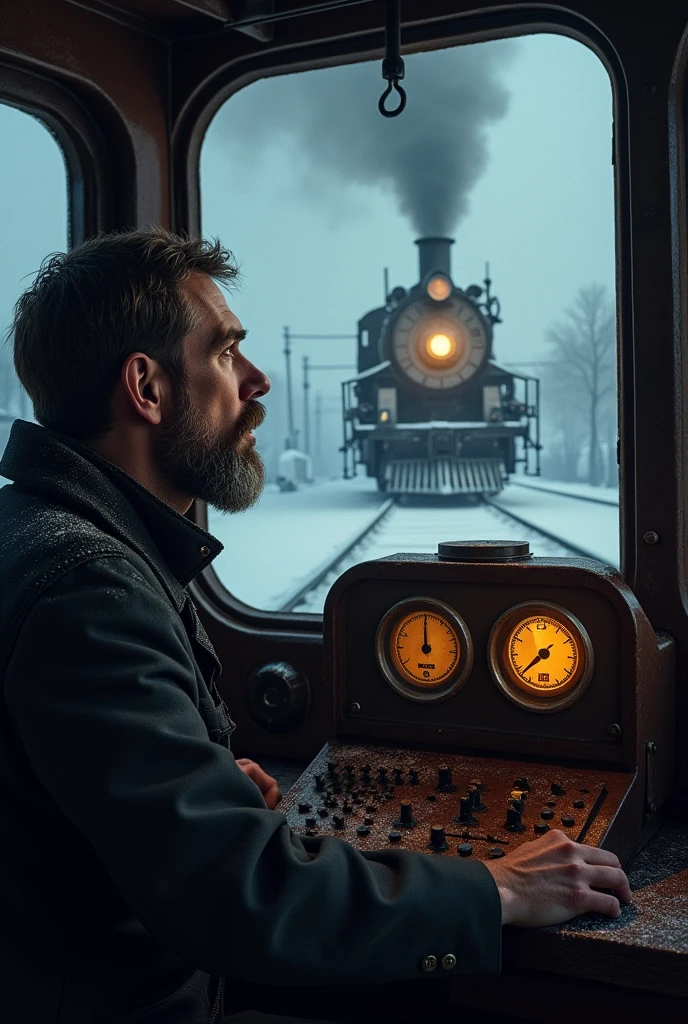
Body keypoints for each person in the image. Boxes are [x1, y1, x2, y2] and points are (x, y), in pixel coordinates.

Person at [0, 229, 632, 1024]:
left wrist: (196, 785)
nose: (258, 381)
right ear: (147, 388)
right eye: (228, 354)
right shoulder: (90, 587)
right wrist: (495, 886)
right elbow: (240, 897)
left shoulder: (44, 531)